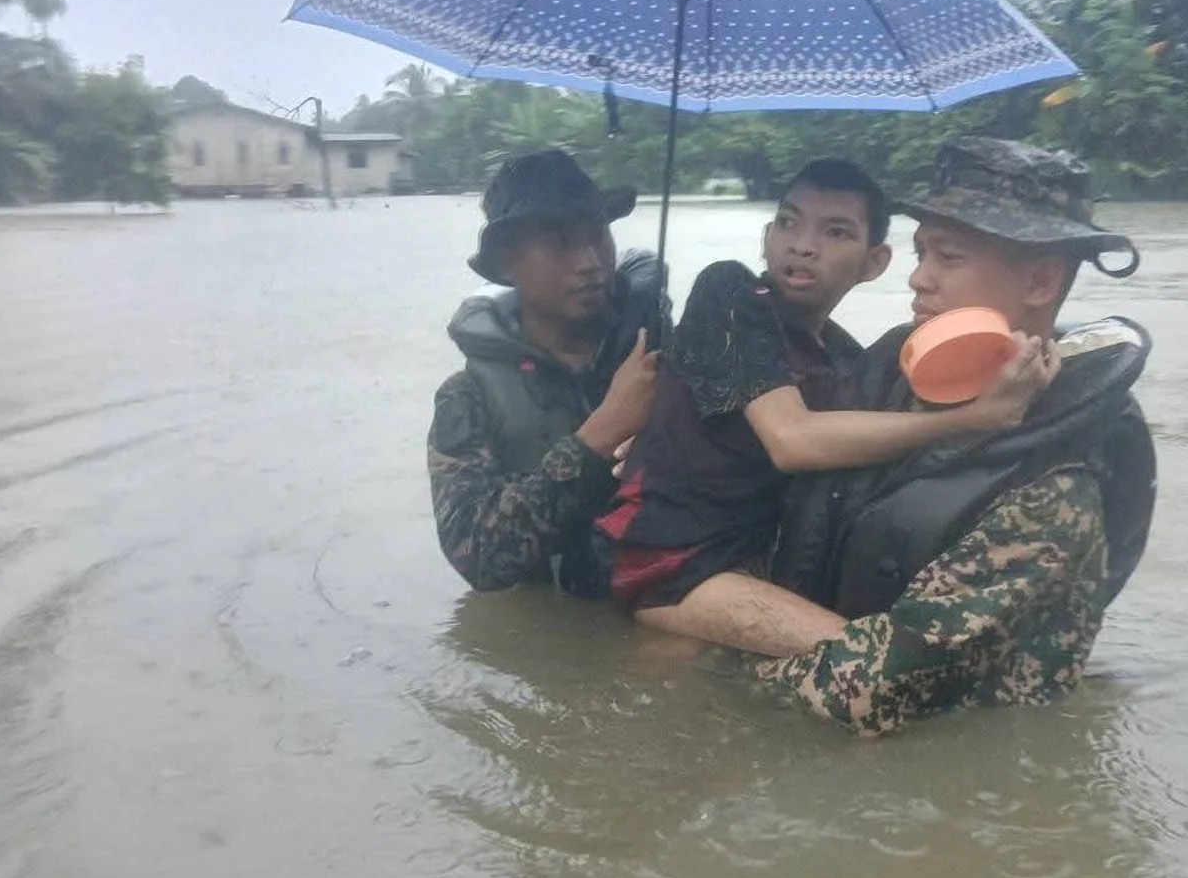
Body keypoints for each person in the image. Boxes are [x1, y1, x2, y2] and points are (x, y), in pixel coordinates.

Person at [756, 136, 1159, 736]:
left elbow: (872, 693)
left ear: (1041, 281)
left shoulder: (1055, 489)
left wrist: (713, 646)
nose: (918, 279)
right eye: (920, 252)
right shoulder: (892, 376)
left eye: (947, 258)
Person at [592, 158, 1058, 656]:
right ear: (767, 236)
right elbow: (792, 440)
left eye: (835, 232)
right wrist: (973, 419)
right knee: (868, 662)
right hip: (670, 563)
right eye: (788, 223)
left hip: (762, 563)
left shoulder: (846, 360)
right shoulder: (729, 294)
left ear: (875, 263)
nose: (803, 245)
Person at [428, 150, 669, 598]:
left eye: (598, 234)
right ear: (506, 262)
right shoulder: (469, 397)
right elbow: (477, 557)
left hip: (669, 597)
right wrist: (601, 435)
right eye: (560, 242)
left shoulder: (657, 350)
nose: (590, 261)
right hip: (561, 611)